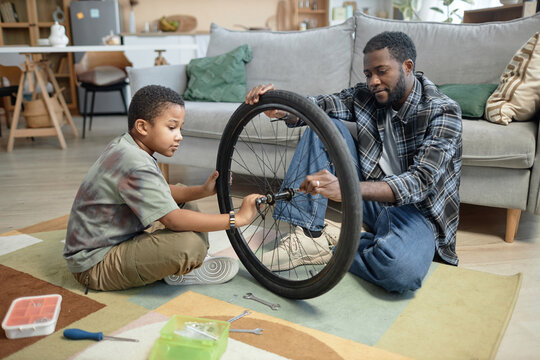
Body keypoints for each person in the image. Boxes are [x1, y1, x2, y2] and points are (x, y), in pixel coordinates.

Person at [245, 31, 462, 293]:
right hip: (372, 197)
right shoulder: (367, 95)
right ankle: (308, 235)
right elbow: (318, 105)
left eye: (381, 71)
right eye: (368, 74)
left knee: (400, 272)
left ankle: (340, 242)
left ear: (407, 67)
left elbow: (420, 182)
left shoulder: (443, 110)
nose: (373, 81)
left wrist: (346, 187)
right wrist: (282, 107)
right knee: (323, 122)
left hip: (417, 213)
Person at [64, 85, 261, 292]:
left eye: (180, 128)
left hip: (114, 241)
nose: (179, 136)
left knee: (182, 195)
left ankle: (176, 264)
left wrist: (202, 191)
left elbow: (160, 190)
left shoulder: (127, 145)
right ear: (142, 127)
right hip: (94, 265)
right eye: (171, 127)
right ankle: (182, 267)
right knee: (190, 246)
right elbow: (173, 220)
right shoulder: (135, 162)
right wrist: (237, 219)